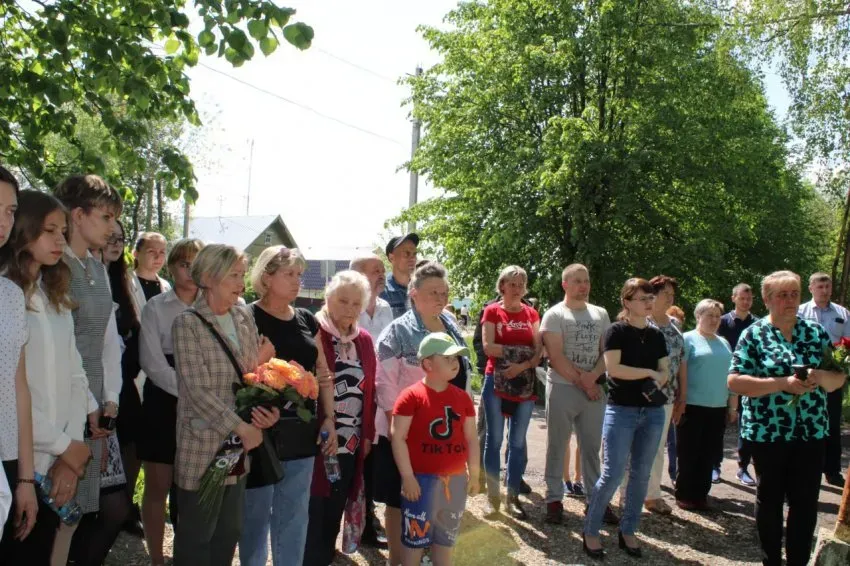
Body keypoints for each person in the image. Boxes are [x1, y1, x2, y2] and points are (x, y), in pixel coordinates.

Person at [0, 190, 96, 563]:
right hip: (19, 456)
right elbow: (11, 392)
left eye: (63, 231)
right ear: (23, 231)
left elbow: (75, 374)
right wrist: (63, 446)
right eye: (49, 231)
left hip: (57, 456)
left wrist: (70, 452)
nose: (60, 240)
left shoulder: (54, 294)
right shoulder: (9, 297)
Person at [728, 270, 846, 566]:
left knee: (805, 503)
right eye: (783, 295)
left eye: (794, 293)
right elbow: (735, 382)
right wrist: (781, 384)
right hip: (767, 434)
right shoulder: (754, 334)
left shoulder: (815, 332)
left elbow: (837, 380)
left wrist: (820, 377)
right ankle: (772, 559)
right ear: (767, 300)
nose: (791, 300)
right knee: (769, 501)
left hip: (811, 432)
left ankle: (797, 561)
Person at [171, 244, 278, 566]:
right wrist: (241, 427)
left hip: (238, 452)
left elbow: (250, 378)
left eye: (241, 275)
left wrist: (264, 410)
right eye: (233, 275)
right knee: (196, 538)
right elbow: (197, 391)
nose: (240, 283)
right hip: (204, 448)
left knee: (228, 533)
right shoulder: (187, 324)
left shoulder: (243, 316)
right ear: (208, 278)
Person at [51, 174, 131, 566]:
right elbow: (62, 349)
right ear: (77, 215)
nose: (111, 226)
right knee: (63, 509)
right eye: (105, 216)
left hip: (99, 403)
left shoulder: (98, 268)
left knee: (110, 507)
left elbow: (107, 341)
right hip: (64, 403)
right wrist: (87, 405)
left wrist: (111, 398)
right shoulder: (54, 265)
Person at [239, 246, 335, 566]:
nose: (297, 281)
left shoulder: (307, 318)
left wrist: (330, 419)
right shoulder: (247, 316)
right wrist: (260, 362)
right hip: (260, 428)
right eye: (289, 274)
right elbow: (236, 373)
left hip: (301, 431)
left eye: (299, 274)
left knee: (294, 518)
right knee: (255, 516)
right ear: (267, 277)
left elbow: (323, 372)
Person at [375, 261, 472, 566]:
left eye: (445, 293)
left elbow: (462, 378)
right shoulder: (397, 332)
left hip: (443, 437)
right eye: (433, 293)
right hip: (405, 436)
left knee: (436, 499)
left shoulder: (451, 326)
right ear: (414, 294)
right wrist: (401, 437)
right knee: (399, 499)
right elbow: (386, 387)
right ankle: (398, 560)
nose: (441, 299)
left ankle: (425, 555)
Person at [583, 278, 669, 560]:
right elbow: (614, 370)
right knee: (612, 474)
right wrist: (648, 374)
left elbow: (665, 370)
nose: (648, 301)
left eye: (650, 297)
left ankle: (628, 529)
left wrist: (655, 379)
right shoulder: (616, 331)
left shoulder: (657, 335)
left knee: (641, 474)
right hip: (622, 411)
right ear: (627, 302)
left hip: (652, 412)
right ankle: (591, 531)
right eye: (642, 297)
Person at [138, 238, 203, 566]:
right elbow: (151, 362)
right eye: (183, 264)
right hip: (164, 403)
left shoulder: (212, 307)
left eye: (197, 264)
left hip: (204, 405)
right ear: (172, 267)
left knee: (193, 487)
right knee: (157, 486)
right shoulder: (156, 307)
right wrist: (189, 390)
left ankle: (186, 554)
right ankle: (156, 558)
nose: (190, 272)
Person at [304, 270, 377, 565]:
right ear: (327, 298)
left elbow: (371, 391)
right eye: (343, 301)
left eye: (356, 304)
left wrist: (368, 435)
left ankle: (321, 558)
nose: (349, 309)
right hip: (318, 438)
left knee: (335, 503)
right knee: (313, 507)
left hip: (351, 441)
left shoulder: (364, 340)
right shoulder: (313, 333)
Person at [392, 332, 479, 566]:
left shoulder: (463, 398)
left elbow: (471, 438)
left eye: (456, 358)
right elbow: (397, 437)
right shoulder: (410, 396)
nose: (455, 363)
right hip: (421, 482)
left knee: (445, 541)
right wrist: (408, 477)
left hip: (455, 482)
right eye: (448, 358)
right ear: (428, 364)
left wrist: (475, 474)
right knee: (415, 541)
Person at [541, 264, 618, 526]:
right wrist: (585, 382)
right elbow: (556, 356)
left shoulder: (600, 314)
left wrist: (593, 378)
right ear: (565, 285)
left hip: (594, 390)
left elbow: (606, 352)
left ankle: (595, 502)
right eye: (577, 281)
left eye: (586, 281)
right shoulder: (554, 315)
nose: (583, 286)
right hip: (563, 387)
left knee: (592, 448)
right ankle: (553, 499)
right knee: (557, 444)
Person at [481, 266, 542, 520]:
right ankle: (493, 497)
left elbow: (539, 352)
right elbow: (488, 347)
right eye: (512, 284)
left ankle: (513, 496)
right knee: (494, 440)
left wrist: (522, 364)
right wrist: (522, 352)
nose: (517, 289)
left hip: (525, 383)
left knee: (517, 443)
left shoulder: (532, 314)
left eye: (521, 284)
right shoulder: (492, 311)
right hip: (495, 382)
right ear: (502, 285)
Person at [0, 167, 38, 561]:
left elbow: (18, 387)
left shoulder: (11, 294)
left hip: (7, 459)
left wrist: (25, 478)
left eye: (10, 211)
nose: (3, 221)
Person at [624, 274, 684, 517]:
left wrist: (682, 395)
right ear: (653, 296)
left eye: (672, 294)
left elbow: (682, 361)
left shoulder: (674, 325)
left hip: (667, 396)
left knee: (658, 447)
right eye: (665, 294)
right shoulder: (641, 323)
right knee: (633, 447)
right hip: (640, 395)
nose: (670, 298)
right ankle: (627, 495)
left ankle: (652, 496)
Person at [102, 222, 146, 538]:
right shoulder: (83, 278)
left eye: (121, 238)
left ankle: (124, 514)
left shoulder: (122, 282)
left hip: (124, 387)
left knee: (131, 452)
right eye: (110, 237)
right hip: (99, 390)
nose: (116, 243)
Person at [675, 300, 736, 511]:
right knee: (688, 452)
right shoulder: (687, 339)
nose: (713, 320)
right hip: (692, 404)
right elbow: (679, 373)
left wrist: (732, 405)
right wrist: (679, 401)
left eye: (717, 316)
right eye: (709, 315)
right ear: (698, 316)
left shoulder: (724, 343)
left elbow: (731, 376)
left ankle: (701, 494)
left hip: (717, 406)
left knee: (709, 453)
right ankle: (684, 493)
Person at [349, 253, 391, 547]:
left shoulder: (387, 307)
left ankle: (367, 519)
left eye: (382, 270)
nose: (382, 274)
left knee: (374, 459)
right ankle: (353, 521)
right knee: (355, 458)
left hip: (381, 395)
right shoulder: (349, 306)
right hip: (354, 395)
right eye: (376, 270)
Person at [798, 272, 849, 487]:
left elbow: (847, 343)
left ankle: (832, 470)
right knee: (805, 421)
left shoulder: (843, 313)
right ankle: (806, 468)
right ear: (811, 288)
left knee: (832, 422)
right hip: (806, 375)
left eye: (827, 287)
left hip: (831, 375)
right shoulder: (800, 311)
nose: (824, 291)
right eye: (820, 287)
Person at [717, 283, 758, 486]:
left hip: (747, 380)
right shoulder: (722, 322)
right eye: (742, 298)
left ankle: (742, 468)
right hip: (722, 378)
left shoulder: (757, 324)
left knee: (746, 424)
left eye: (749, 299)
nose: (745, 302)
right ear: (733, 298)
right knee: (717, 423)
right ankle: (714, 466)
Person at [351, 253, 393, 342]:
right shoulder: (345, 310)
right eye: (376, 271)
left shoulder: (385, 307)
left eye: (383, 271)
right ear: (358, 276)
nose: (382, 276)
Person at [665, 304, 685, 482]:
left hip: (675, 394)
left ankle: (673, 473)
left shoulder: (682, 341)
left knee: (673, 439)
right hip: (659, 395)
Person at [380, 233, 419, 319]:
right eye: (407, 253)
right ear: (391, 258)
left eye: (414, 254)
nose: (412, 258)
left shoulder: (422, 288)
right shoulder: (381, 290)